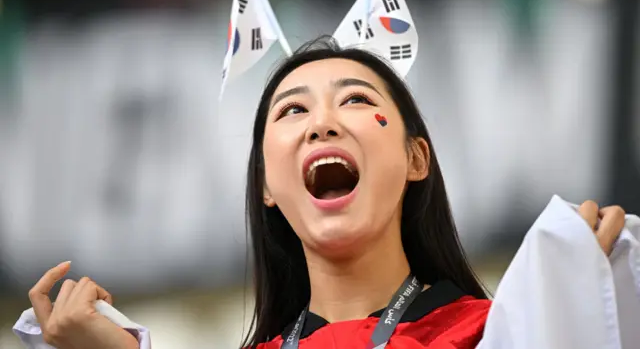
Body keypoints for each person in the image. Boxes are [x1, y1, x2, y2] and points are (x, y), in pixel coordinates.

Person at [21, 37, 627, 349]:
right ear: (265, 184)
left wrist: (579, 309)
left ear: (418, 159)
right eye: (292, 111)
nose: (322, 123)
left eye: (357, 100)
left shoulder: (497, 333)